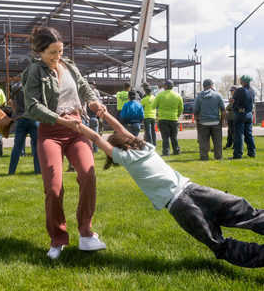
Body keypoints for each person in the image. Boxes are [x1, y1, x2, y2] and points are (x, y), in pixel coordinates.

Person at [64, 110, 264, 268]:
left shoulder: (127, 157)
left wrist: (77, 125)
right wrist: (102, 114)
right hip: (192, 189)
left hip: (179, 205)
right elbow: (120, 130)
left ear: (117, 149)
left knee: (218, 243)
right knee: (242, 211)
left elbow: (99, 139)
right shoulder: (145, 147)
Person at [22, 26, 107, 259]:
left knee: (88, 175)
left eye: (59, 51)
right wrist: (61, 120)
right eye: (52, 52)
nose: (57, 57)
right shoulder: (34, 72)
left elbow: (83, 87)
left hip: (77, 129)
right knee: (53, 188)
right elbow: (32, 106)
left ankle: (86, 234)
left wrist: (93, 101)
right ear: (39, 51)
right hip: (51, 132)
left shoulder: (68, 64)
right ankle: (58, 239)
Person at [8, 81, 40, 175]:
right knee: (36, 145)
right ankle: (38, 170)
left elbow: (12, 103)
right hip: (33, 118)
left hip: (21, 118)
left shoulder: (15, 86)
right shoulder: (34, 84)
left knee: (17, 146)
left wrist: (18, 115)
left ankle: (11, 171)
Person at [193, 79, 226, 161]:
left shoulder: (199, 97)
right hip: (215, 121)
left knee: (203, 142)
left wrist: (197, 121)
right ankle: (218, 157)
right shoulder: (218, 95)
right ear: (211, 85)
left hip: (203, 122)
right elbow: (223, 109)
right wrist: (222, 119)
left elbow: (196, 111)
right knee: (217, 141)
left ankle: (204, 157)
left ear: (203, 86)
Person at [151, 79, 183, 156]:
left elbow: (153, 106)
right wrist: (177, 116)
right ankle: (176, 151)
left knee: (165, 138)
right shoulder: (177, 95)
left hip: (163, 119)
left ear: (165, 86)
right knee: (174, 137)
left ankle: (166, 152)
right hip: (173, 118)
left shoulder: (160, 95)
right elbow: (181, 108)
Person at [229, 75, 256, 159]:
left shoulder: (239, 90)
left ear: (243, 81)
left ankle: (237, 154)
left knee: (239, 135)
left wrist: (231, 101)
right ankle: (252, 152)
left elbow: (232, 101)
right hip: (249, 114)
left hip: (240, 114)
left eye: (240, 80)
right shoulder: (253, 90)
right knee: (249, 134)